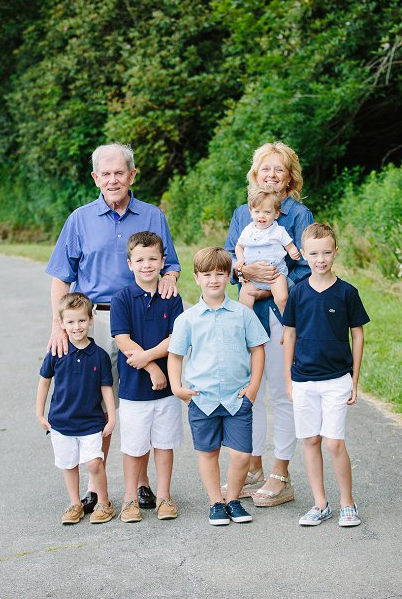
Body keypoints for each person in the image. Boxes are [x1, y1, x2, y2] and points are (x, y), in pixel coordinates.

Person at [46, 143, 180, 513]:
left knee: (143, 401)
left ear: (132, 175)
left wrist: (170, 275)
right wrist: (59, 325)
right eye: (105, 174)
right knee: (95, 406)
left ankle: (141, 485)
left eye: (120, 172)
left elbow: (171, 263)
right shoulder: (80, 219)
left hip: (143, 320)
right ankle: (96, 486)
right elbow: (61, 277)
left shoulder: (152, 215)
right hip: (94, 322)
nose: (113, 180)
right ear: (95, 179)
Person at [222, 141, 313, 507]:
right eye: (265, 169)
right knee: (251, 392)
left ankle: (281, 474)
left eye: (279, 169)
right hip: (245, 317)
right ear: (255, 174)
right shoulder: (242, 212)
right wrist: (242, 270)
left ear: (290, 177)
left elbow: (307, 271)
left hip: (279, 315)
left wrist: (269, 287)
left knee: (281, 392)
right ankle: (254, 469)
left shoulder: (298, 215)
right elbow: (229, 257)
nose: (272, 175)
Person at [167, 247, 268, 525]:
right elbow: (175, 356)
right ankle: (215, 503)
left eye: (220, 274)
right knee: (208, 452)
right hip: (203, 398)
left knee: (241, 454)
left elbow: (258, 350)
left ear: (229, 276)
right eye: (207, 274)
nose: (214, 280)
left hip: (238, 397)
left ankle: (233, 499)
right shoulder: (187, 319)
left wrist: (253, 388)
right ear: (197, 278)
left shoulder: (243, 314)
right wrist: (177, 387)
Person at [282, 224, 369, 527]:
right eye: (314, 253)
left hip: (336, 379)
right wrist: (288, 379)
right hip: (303, 379)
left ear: (335, 252)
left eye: (327, 252)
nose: (320, 259)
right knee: (310, 440)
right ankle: (320, 504)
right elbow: (289, 335)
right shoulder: (298, 292)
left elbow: (357, 336)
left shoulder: (347, 293)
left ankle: (348, 502)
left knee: (333, 443)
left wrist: (354, 381)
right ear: (304, 255)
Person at [110, 232, 184, 523]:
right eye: (140, 260)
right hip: (133, 390)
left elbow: (175, 338)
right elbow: (123, 339)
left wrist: (150, 356)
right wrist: (152, 367)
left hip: (166, 391)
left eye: (153, 259)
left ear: (163, 261)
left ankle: (164, 496)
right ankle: (130, 499)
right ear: (130, 264)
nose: (146, 265)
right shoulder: (122, 299)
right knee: (134, 446)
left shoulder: (171, 298)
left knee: (164, 444)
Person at [36, 293, 116, 525]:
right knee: (68, 464)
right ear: (61, 324)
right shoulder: (57, 351)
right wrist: (39, 413)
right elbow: (44, 381)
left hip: (91, 422)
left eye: (81, 320)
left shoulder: (99, 355)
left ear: (91, 319)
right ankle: (75, 503)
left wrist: (111, 417)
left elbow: (106, 388)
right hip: (61, 421)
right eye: (70, 322)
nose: (77, 326)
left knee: (93, 463)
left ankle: (104, 502)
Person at [234, 186, 301, 314]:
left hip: (275, 274)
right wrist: (241, 259)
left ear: (277, 214)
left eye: (267, 212)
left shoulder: (278, 231)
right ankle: (247, 324)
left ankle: (288, 324)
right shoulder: (248, 230)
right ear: (251, 212)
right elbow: (239, 246)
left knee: (282, 298)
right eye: (257, 211)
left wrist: (293, 251)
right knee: (244, 298)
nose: (262, 216)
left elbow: (289, 245)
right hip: (253, 277)